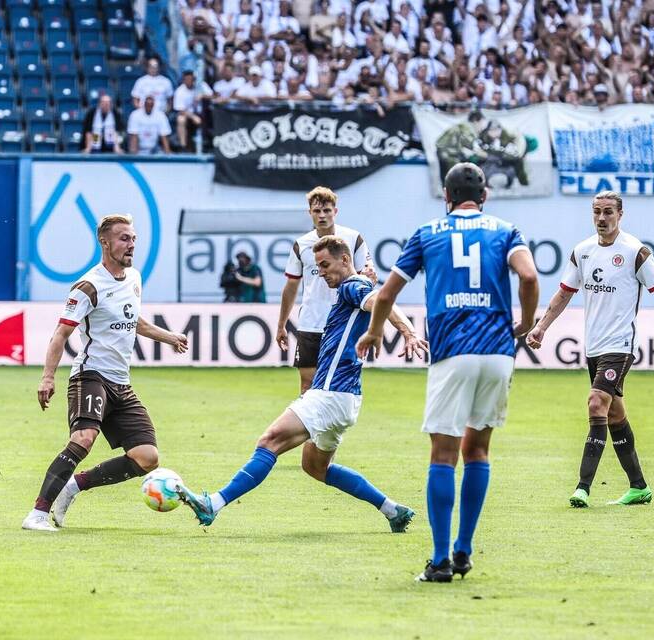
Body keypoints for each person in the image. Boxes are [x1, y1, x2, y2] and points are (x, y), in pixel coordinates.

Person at [356, 162, 539, 583]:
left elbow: (386, 294)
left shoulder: (427, 233)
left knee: (443, 455)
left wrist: (373, 332)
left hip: (452, 350)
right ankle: (463, 552)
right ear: (485, 196)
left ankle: (439, 561)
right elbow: (528, 276)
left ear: (446, 196)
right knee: (478, 450)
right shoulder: (507, 230)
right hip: (498, 352)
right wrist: (526, 323)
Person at [178, 235, 428, 531]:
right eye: (317, 267)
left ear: (345, 260)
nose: (321, 272)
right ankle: (393, 510)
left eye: (325, 265)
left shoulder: (352, 286)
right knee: (315, 467)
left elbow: (381, 300)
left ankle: (213, 504)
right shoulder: (353, 287)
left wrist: (409, 332)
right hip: (346, 398)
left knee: (269, 441)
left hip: (331, 394)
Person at [525, 191, 654, 510]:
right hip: (594, 346)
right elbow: (563, 294)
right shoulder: (583, 251)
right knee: (615, 413)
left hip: (620, 345)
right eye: (596, 212)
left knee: (595, 403)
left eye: (607, 212)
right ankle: (639, 487)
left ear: (620, 214)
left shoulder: (635, 252)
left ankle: (582, 488)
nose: (602, 218)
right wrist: (541, 326)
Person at [21, 215, 190, 532]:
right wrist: (47, 377)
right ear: (105, 242)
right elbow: (60, 334)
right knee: (83, 439)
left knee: (147, 457)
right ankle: (37, 514)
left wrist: (168, 336)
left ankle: (73, 487)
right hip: (90, 375)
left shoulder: (134, 278)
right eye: (124, 238)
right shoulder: (88, 286)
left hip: (120, 383)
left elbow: (134, 321)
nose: (131, 245)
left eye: (134, 239)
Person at [277, 186, 373, 395]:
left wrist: (369, 276)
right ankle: (307, 428)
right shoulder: (301, 245)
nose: (322, 215)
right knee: (307, 387)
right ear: (309, 213)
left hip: (343, 324)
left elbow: (366, 279)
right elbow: (291, 286)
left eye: (327, 210)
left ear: (335, 212)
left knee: (338, 387)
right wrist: (281, 325)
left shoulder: (353, 238)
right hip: (311, 323)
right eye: (317, 211)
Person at [172, 70, 213, 151]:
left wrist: (203, 96)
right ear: (183, 80)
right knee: (181, 119)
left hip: (203, 113)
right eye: (187, 79)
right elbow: (180, 110)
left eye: (191, 79)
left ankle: (207, 144)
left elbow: (213, 96)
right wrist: (193, 117)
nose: (189, 81)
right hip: (188, 115)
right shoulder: (180, 91)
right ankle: (183, 146)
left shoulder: (201, 85)